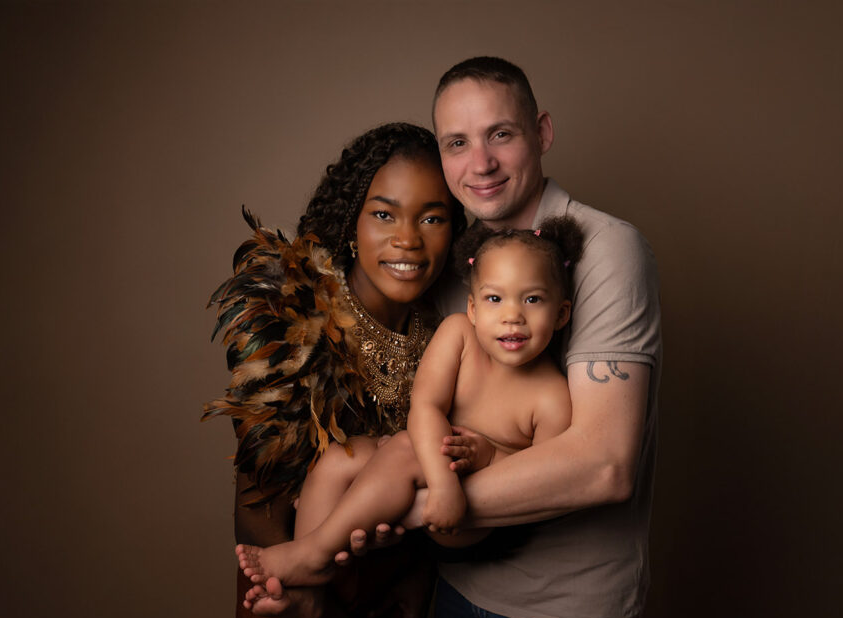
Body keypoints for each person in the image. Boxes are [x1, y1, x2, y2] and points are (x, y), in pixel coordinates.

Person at [350, 57, 662, 618]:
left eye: (501, 134)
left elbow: (605, 465)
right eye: (457, 143)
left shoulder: (606, 251)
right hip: (461, 591)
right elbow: (435, 418)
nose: (481, 163)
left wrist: (402, 513)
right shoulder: (456, 265)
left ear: (541, 134)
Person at [204, 122, 466, 618]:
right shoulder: (294, 318)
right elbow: (257, 513)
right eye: (384, 214)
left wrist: (421, 581)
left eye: (432, 217)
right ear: (351, 222)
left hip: (390, 602)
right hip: (288, 596)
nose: (408, 239)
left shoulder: (451, 331)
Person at [236, 218, 583, 595]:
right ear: (472, 308)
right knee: (342, 457)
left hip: (473, 516)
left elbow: (545, 484)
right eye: (494, 299)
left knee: (403, 449)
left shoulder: (553, 397)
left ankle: (313, 553)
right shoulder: (459, 335)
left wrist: (488, 458)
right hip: (433, 473)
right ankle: (306, 582)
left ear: (561, 314)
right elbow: (426, 406)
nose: (512, 315)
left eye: (532, 299)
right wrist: (440, 479)